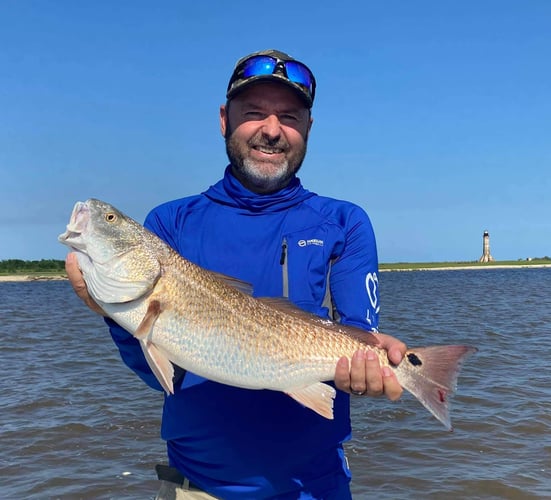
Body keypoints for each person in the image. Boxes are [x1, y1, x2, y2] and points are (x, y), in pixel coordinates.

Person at [66, 49, 406, 499]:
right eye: (253, 114)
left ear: (307, 127)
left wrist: (373, 368)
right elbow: (162, 376)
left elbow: (359, 335)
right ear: (224, 119)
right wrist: (111, 311)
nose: (271, 130)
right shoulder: (170, 224)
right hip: (196, 488)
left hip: (317, 489)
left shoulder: (344, 222)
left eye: (288, 116)